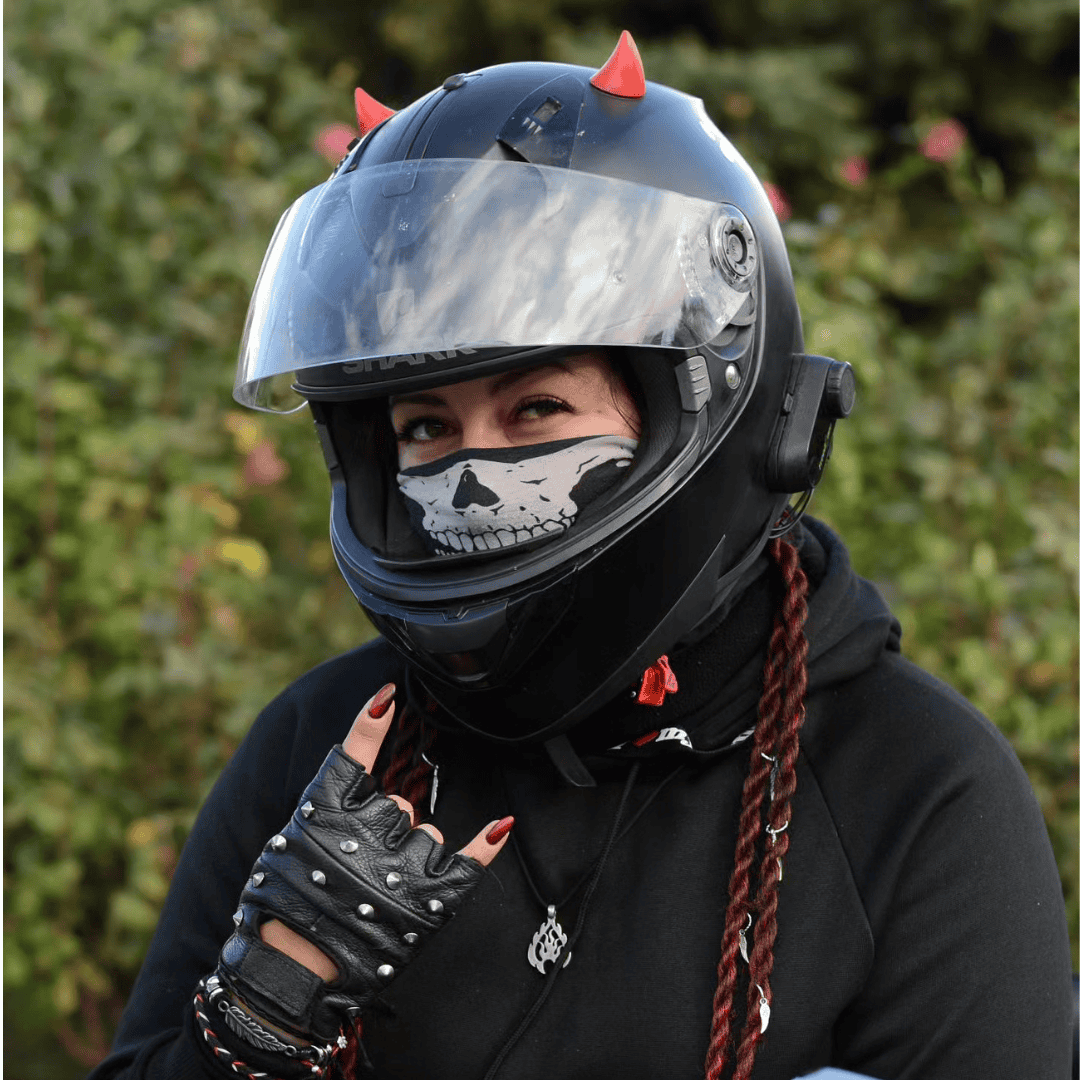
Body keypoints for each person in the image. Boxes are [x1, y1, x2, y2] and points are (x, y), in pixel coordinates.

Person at [88, 31, 1073, 1080]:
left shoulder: (914, 785)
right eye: (425, 426)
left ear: (714, 408)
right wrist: (263, 1014)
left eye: (538, 408)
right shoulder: (329, 748)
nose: (472, 470)